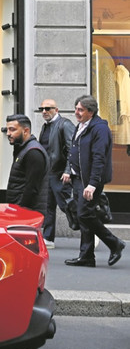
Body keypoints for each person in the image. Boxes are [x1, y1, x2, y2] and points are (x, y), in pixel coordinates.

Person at [62, 95, 125, 267]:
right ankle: (86, 256)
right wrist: (69, 171)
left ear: (91, 112)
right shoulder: (81, 126)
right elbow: (73, 150)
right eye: (76, 108)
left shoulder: (100, 129)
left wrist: (92, 184)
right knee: (84, 217)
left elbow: (99, 158)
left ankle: (114, 243)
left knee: (84, 214)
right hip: (78, 178)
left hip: (89, 180)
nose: (76, 112)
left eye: (80, 110)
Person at [36, 99, 76, 249]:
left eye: (48, 108)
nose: (44, 111)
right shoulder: (45, 127)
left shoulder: (64, 125)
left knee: (67, 205)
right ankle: (48, 237)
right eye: (42, 108)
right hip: (48, 172)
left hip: (60, 173)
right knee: (48, 206)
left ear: (56, 110)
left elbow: (72, 150)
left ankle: (90, 229)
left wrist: (68, 171)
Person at [5, 114, 48, 215]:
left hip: (26, 213)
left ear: (26, 131)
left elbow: (32, 189)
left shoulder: (33, 152)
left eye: (12, 129)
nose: (8, 133)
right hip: (19, 210)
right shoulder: (23, 149)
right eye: (7, 130)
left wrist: (21, 211)